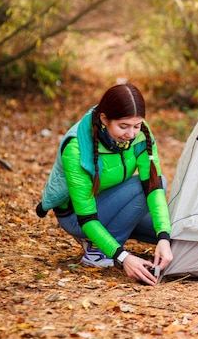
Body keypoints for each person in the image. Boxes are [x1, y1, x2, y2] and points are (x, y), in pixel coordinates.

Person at [36, 83, 173, 286]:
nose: (131, 134)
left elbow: (153, 188)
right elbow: (87, 216)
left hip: (114, 204)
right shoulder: (76, 147)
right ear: (104, 119)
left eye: (136, 126)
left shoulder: (141, 133)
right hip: (79, 217)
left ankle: (110, 240)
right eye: (123, 127)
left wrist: (164, 237)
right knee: (146, 187)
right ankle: (98, 250)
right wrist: (123, 256)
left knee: (171, 232)